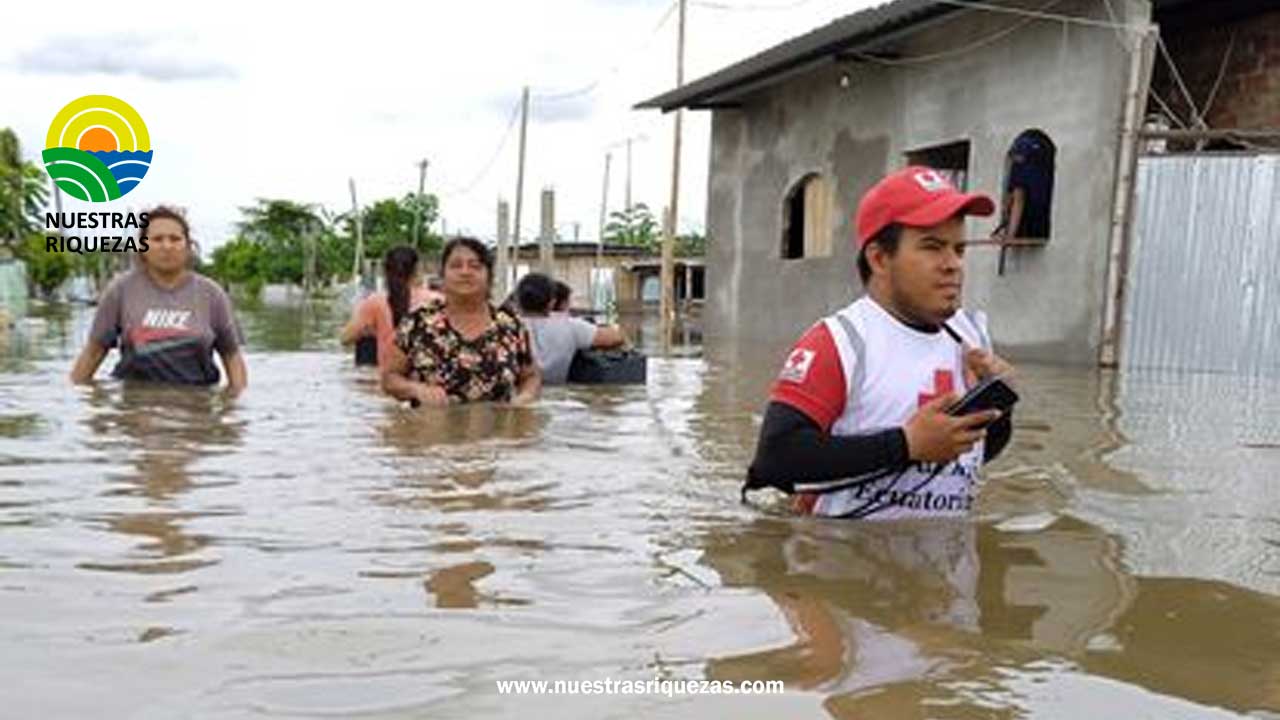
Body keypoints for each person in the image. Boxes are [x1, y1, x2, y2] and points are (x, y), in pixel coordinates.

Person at [745, 166, 1015, 519]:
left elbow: (970, 456)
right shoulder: (841, 342)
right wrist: (906, 445)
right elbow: (774, 462)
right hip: (844, 562)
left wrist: (1001, 409)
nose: (953, 265)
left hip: (945, 565)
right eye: (933, 248)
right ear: (879, 258)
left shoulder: (971, 338)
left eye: (959, 249)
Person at [69, 205, 248, 396]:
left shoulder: (212, 294)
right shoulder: (120, 290)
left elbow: (232, 356)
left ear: (188, 246)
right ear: (143, 247)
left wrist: (234, 409)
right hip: (135, 408)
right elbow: (94, 352)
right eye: (157, 239)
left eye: (175, 239)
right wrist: (78, 402)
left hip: (197, 405)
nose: (167, 246)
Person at [382, 237, 540, 406]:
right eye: (456, 265)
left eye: (475, 266)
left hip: (497, 430)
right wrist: (416, 389)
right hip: (431, 428)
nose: (465, 272)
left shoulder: (511, 325)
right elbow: (389, 379)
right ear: (443, 275)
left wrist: (525, 398)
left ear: (489, 277)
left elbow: (530, 376)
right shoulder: (417, 323)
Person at [514, 272, 627, 385]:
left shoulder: (504, 326)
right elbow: (617, 337)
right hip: (556, 396)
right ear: (551, 303)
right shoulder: (570, 326)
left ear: (517, 302)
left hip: (512, 396)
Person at [340, 246, 438, 373]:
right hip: (425, 380)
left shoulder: (375, 302)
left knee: (366, 339)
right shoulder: (437, 301)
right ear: (417, 271)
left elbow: (345, 339)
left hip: (386, 379)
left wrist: (371, 331)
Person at [993, 129, 1055, 242]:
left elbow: (1018, 199)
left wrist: (1010, 235)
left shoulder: (1021, 167)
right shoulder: (1037, 164)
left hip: (1031, 224)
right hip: (1040, 223)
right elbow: (1013, 198)